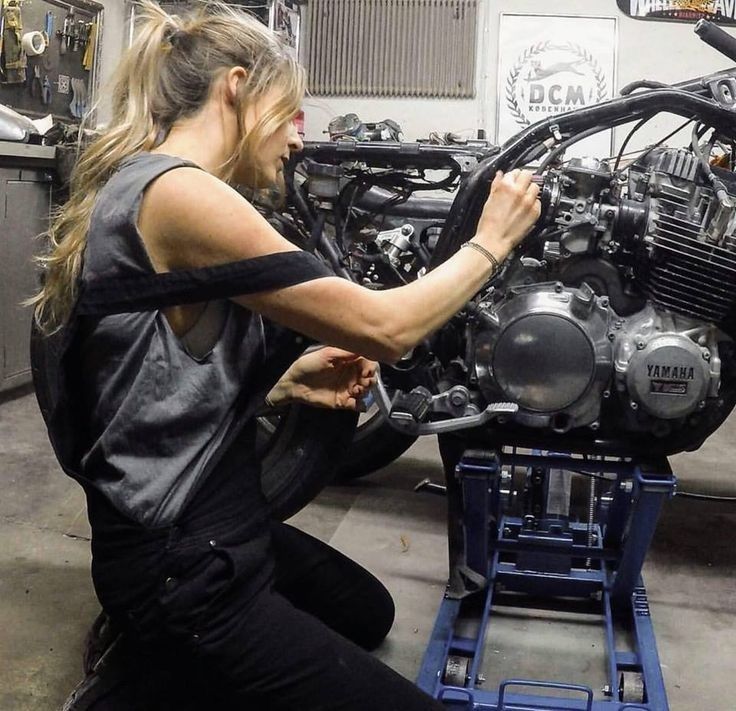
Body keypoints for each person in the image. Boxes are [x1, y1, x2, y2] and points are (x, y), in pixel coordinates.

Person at [31, 2, 540, 709]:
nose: (297, 140)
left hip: (220, 520)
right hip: (184, 566)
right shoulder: (178, 193)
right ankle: (149, 664)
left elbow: (144, 375)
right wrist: (492, 241)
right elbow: (386, 328)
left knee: (367, 612)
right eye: (290, 113)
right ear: (235, 88)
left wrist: (284, 384)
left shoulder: (160, 187)